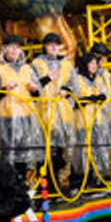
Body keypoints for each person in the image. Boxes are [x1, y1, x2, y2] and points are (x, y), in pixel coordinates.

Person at [0, 36, 44, 179]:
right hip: (6, 119)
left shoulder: (28, 69)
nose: (14, 51)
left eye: (17, 47)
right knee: (7, 155)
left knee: (24, 155)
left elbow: (38, 94)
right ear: (4, 50)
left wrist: (34, 90)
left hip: (26, 118)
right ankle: (7, 187)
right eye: (11, 47)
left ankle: (22, 185)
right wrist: (4, 90)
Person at [31, 33, 77, 188]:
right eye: (50, 45)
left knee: (62, 151)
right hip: (44, 113)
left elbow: (73, 83)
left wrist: (66, 89)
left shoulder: (66, 64)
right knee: (45, 152)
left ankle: (60, 183)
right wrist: (47, 79)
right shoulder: (36, 64)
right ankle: (46, 187)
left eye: (56, 45)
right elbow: (31, 87)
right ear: (44, 47)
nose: (54, 48)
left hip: (63, 114)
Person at [66, 51, 111, 186]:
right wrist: (88, 100)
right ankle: (83, 181)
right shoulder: (77, 79)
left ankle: (100, 179)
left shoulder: (99, 80)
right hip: (82, 123)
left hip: (98, 122)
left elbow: (107, 96)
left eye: (95, 63)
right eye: (90, 63)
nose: (93, 66)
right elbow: (71, 102)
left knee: (100, 151)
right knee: (83, 153)